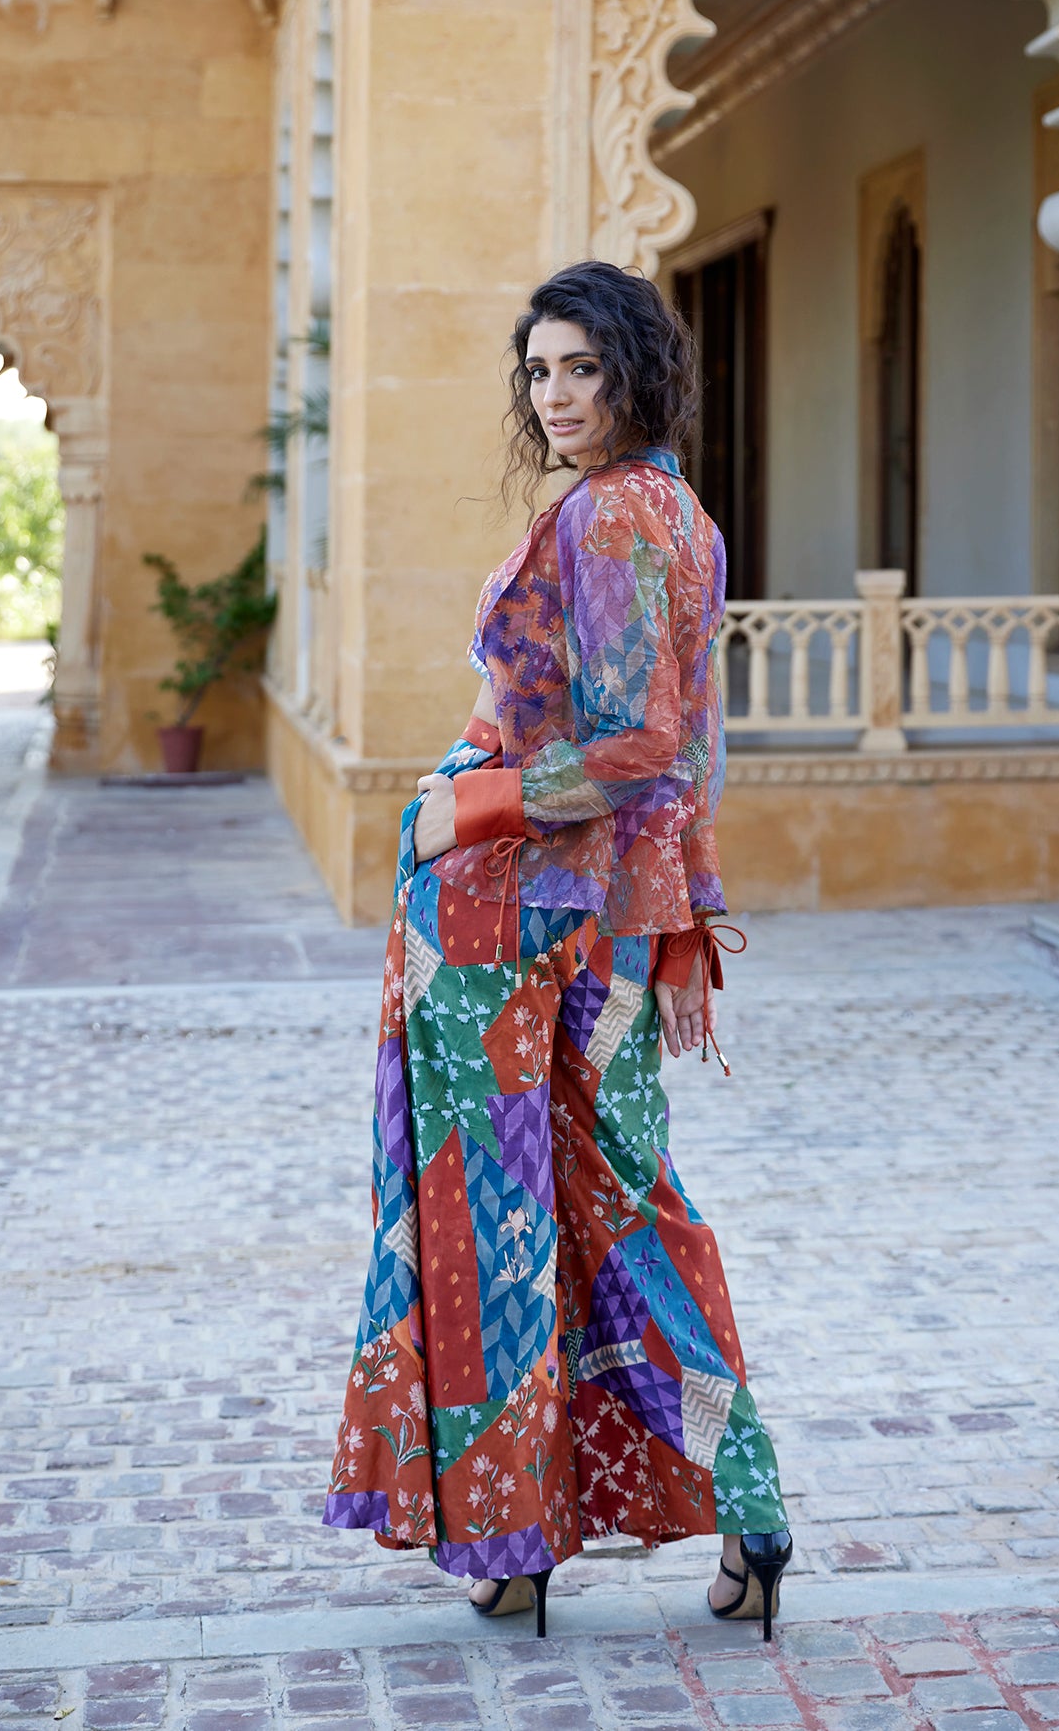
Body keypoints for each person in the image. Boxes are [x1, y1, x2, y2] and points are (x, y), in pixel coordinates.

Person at [322, 262, 792, 1638]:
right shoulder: (681, 519)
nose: (559, 394)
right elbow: (671, 746)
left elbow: (640, 744)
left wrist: (455, 808)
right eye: (540, 372)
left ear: (638, 369)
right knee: (621, 1215)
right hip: (600, 923)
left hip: (520, 923)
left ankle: (513, 1543)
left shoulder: (608, 519)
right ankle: (746, 1508)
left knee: (491, 1223)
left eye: (583, 367)